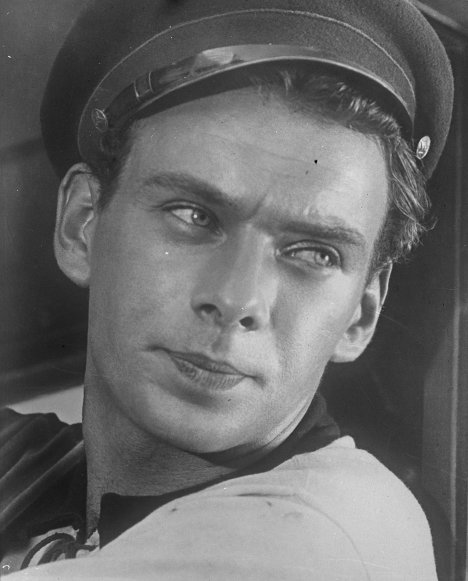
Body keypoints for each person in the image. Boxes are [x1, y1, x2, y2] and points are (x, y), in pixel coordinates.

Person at [0, 0, 454, 579]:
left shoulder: (324, 536)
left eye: (314, 253)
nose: (237, 300)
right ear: (82, 224)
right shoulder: (35, 465)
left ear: (361, 314)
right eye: (194, 216)